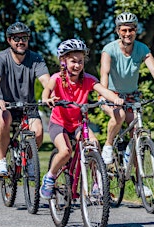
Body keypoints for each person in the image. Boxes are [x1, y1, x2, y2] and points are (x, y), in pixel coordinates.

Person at [39, 39, 124, 199]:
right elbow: (47, 91)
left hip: (78, 124)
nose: (77, 65)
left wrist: (115, 99)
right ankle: (50, 177)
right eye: (73, 61)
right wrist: (46, 99)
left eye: (80, 61)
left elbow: (103, 91)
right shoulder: (57, 78)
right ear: (63, 61)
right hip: (59, 124)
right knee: (65, 152)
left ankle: (97, 185)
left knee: (93, 145)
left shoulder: (88, 79)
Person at [100, 12, 154, 164]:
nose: (128, 33)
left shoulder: (142, 49)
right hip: (111, 94)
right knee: (118, 115)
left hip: (132, 96)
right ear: (118, 31)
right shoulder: (109, 49)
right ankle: (108, 145)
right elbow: (105, 73)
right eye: (124, 30)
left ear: (136, 30)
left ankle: (140, 181)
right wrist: (105, 96)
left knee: (137, 130)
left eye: (131, 30)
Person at [0, 22, 50, 176]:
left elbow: (46, 81)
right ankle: (2, 160)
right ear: (9, 40)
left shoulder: (36, 58)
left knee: (38, 132)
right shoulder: (0, 58)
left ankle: (29, 160)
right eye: (16, 38)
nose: (20, 41)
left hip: (28, 105)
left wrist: (50, 94)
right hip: (5, 105)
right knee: (4, 120)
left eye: (24, 38)